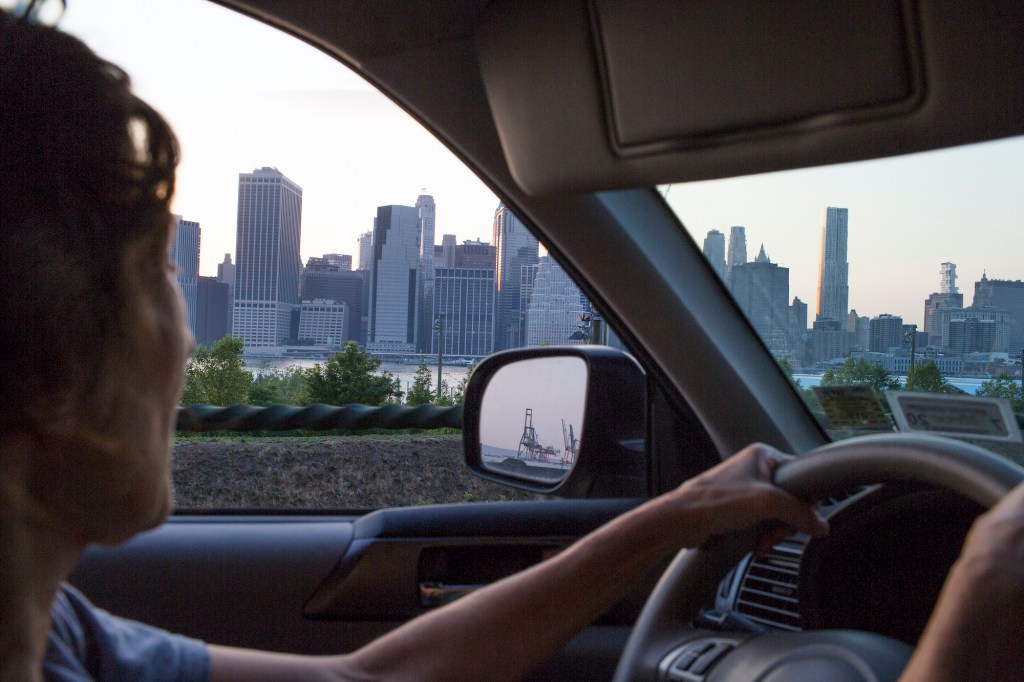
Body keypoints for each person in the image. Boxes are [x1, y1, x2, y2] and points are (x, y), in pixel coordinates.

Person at [0, 8, 1018, 682]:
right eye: (163, 278)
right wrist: (970, 614)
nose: (183, 338)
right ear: (48, 360)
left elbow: (374, 679)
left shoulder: (65, 640)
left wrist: (669, 519)